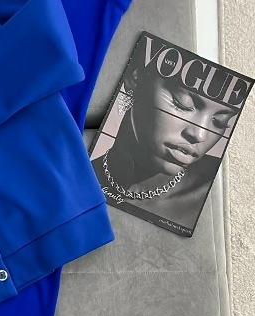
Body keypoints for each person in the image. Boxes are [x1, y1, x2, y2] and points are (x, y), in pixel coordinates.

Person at [91, 62, 237, 229]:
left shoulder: (221, 192)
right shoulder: (82, 177)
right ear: (136, 78)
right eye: (183, 104)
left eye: (220, 122)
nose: (200, 135)